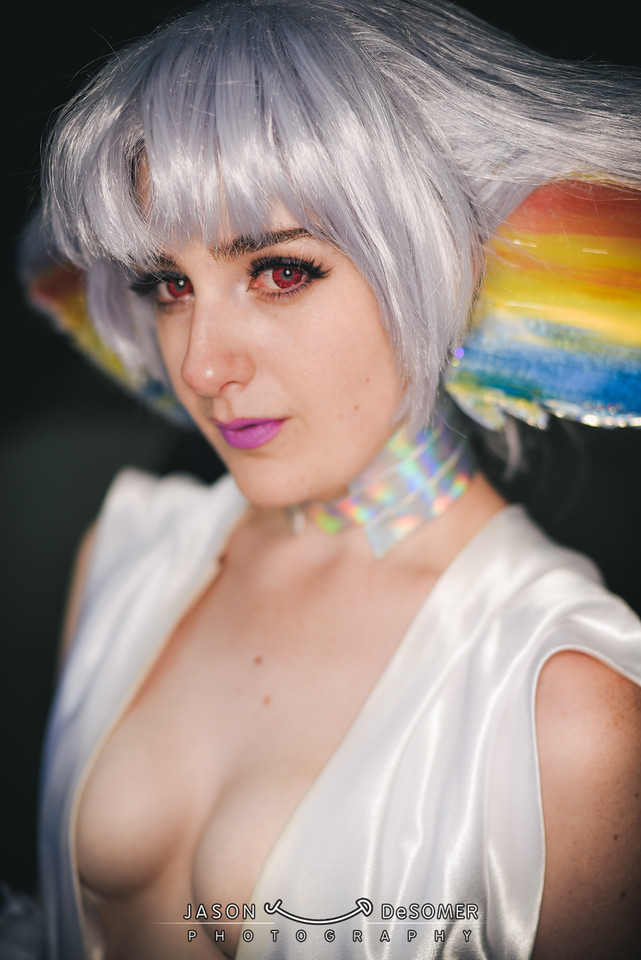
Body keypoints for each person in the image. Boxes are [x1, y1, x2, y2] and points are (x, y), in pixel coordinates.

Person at [20, 1, 641, 958]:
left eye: (278, 271)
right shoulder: (128, 556)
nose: (202, 365)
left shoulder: (561, 705)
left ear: (439, 257)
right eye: (168, 285)